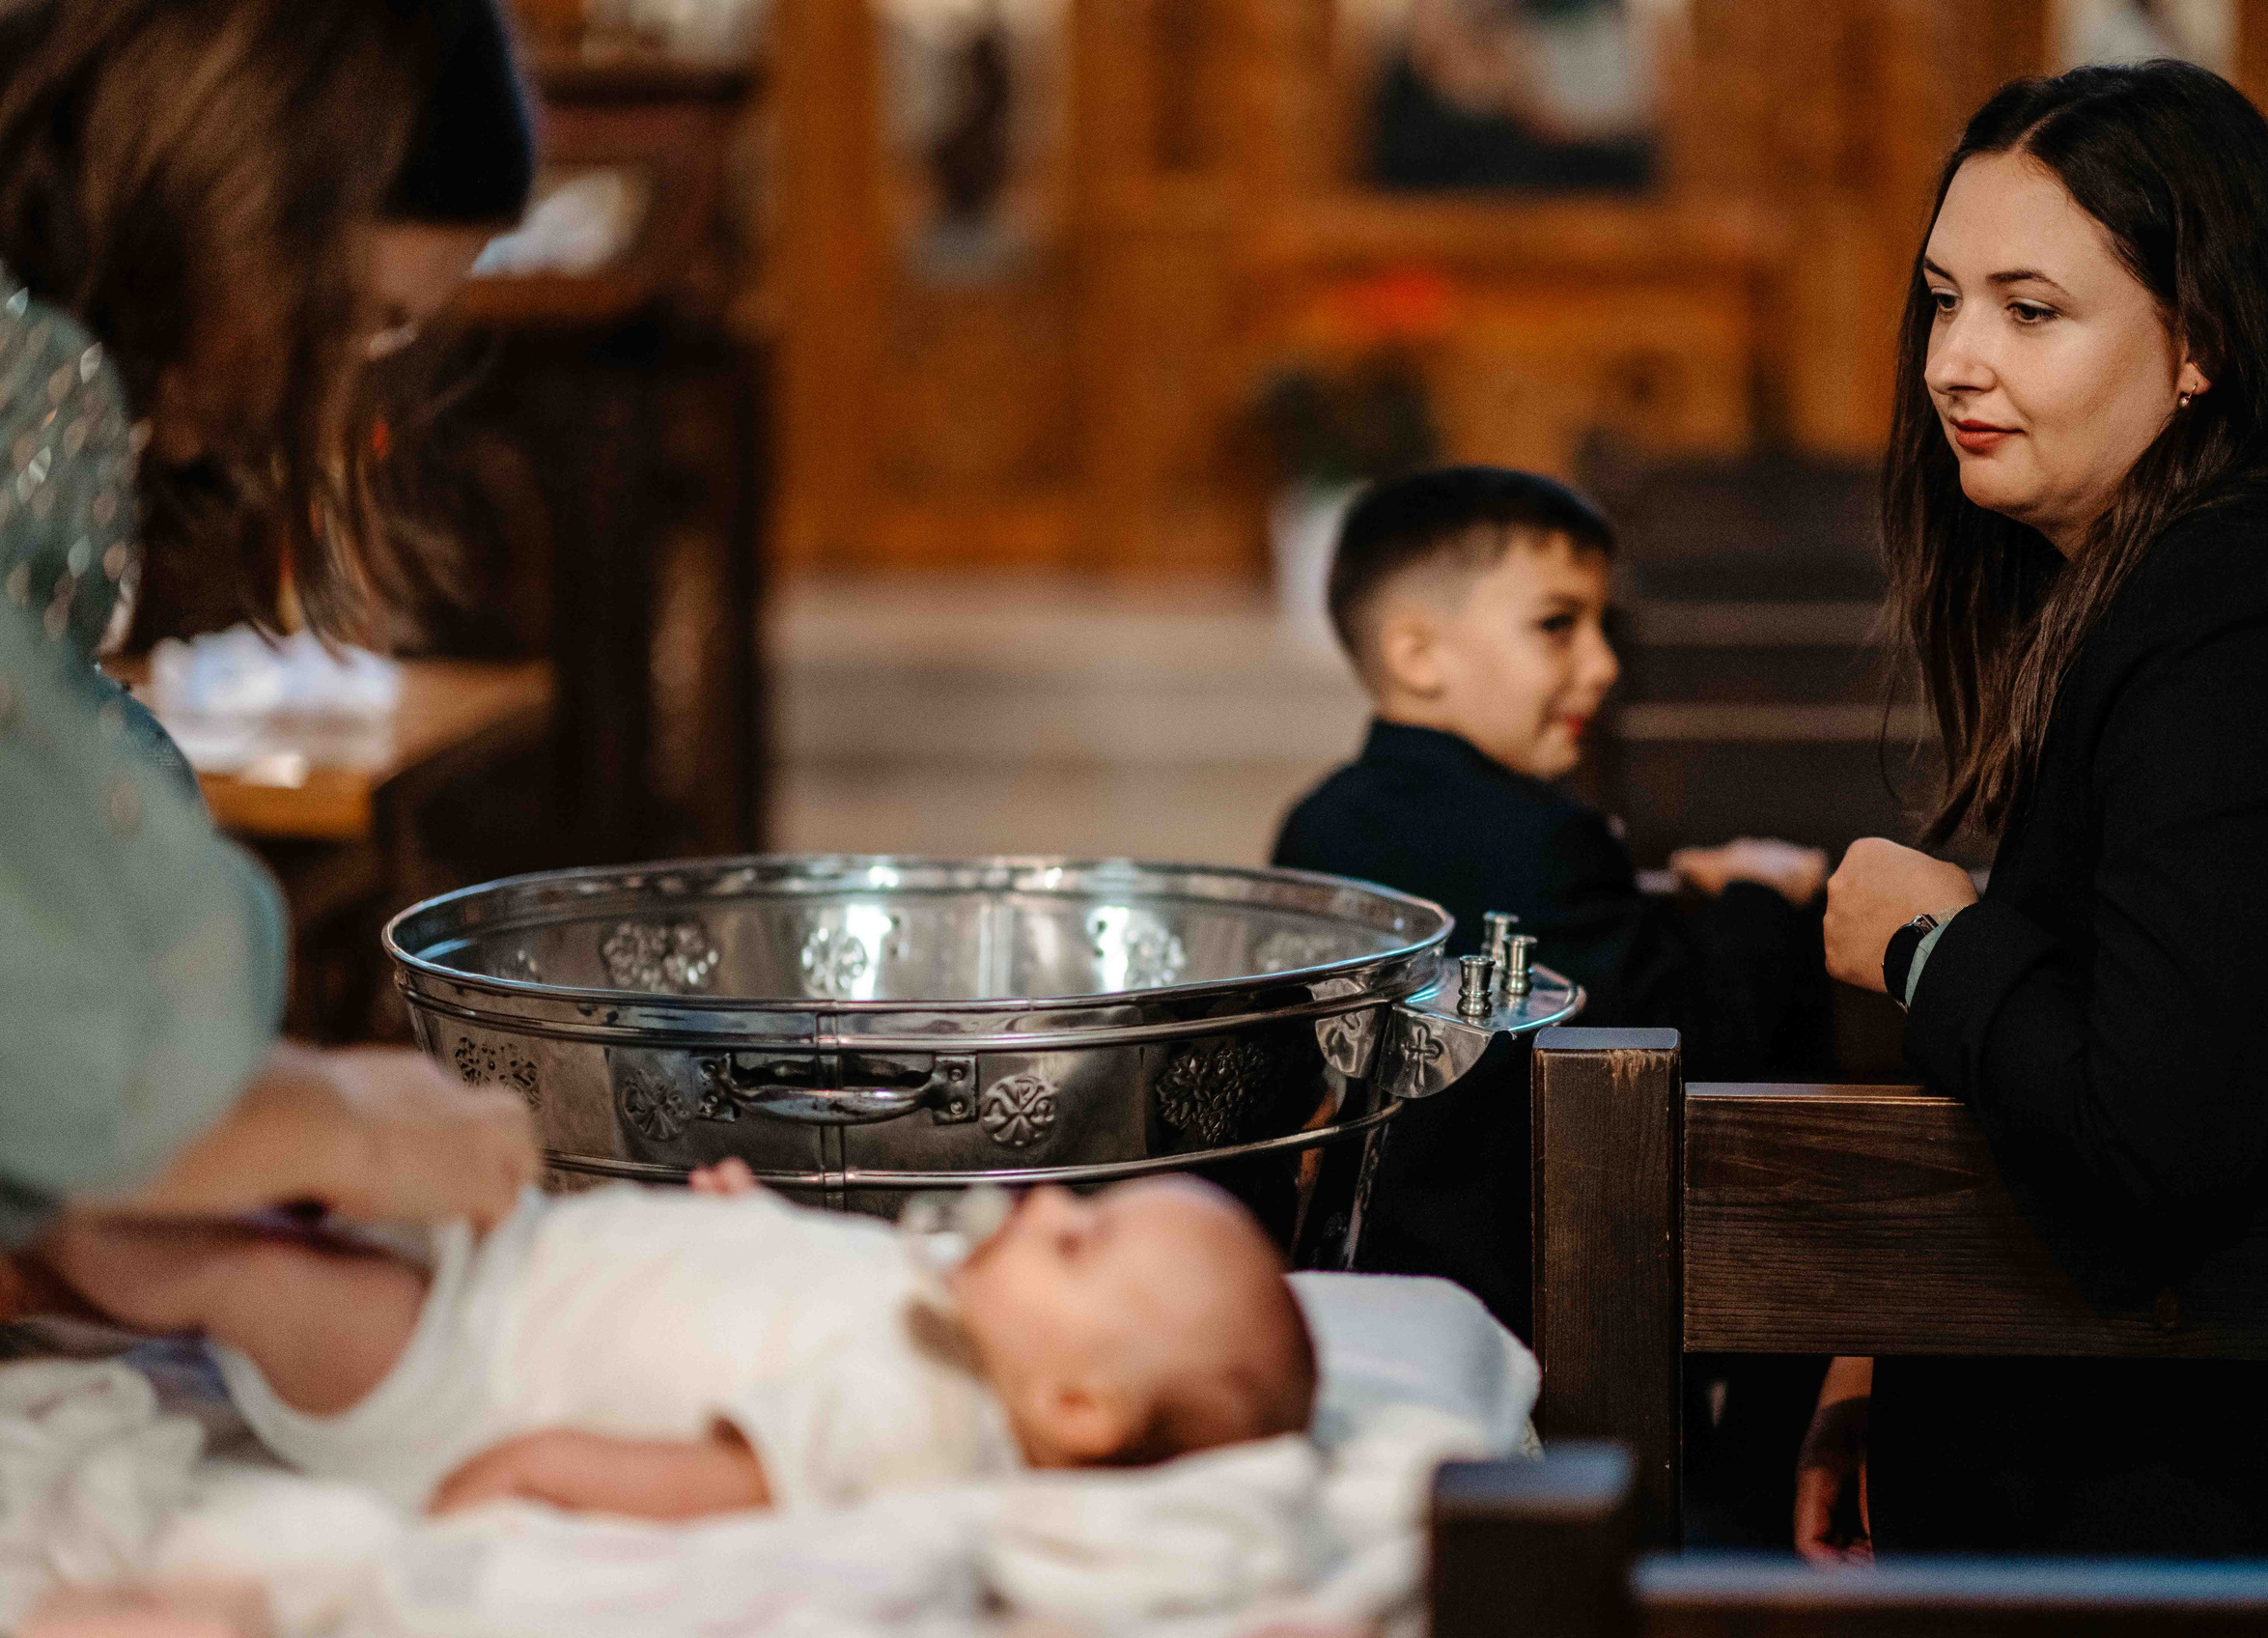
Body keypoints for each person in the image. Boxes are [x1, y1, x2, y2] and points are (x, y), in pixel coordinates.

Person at [1803, 61, 2268, 1557]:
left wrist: (1928, 943)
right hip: (2188, 1417)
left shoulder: (2260, 616)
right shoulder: (2184, 574)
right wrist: (1882, 1318)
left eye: (2030, 312)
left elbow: (2159, 1142)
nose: (1954, 362)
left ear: (2202, 345)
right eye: (1942, 297)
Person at [0, 0, 540, 1287]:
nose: (341, 388)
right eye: (352, 315)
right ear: (253, 185)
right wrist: (341, 1135)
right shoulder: (36, 383)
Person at [1273, 466, 1829, 1341]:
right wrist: (1758, 895)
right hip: (1528, 1312)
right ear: (1417, 653)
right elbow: (1690, 1041)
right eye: (1557, 625)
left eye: (1603, 627)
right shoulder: (1545, 841)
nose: (1603, 665)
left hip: (1350, 1283)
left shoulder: (1314, 823)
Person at [38, 1168, 1319, 1518]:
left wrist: (529, 1466)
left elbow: (717, 1474)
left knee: (246, 1267)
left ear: (1079, 1407)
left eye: (1078, 1243)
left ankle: (48, 1224)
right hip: (513, 1255)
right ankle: (51, 1236)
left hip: (455, 1379)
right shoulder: (949, 1304)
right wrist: (747, 1220)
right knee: (270, 1192)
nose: (1042, 1202)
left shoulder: (917, 1421)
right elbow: (809, 1281)